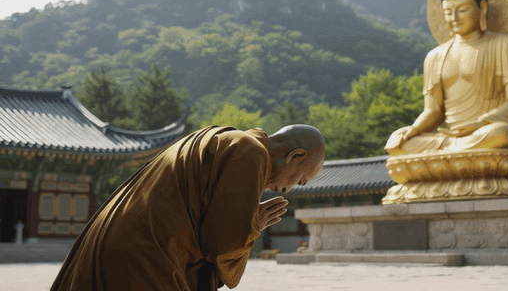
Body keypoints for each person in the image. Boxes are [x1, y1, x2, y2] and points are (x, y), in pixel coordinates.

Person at [50, 124, 325, 291]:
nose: (290, 188)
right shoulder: (249, 152)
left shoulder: (220, 139)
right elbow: (222, 246)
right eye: (300, 178)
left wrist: (248, 221)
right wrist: (252, 227)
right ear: (295, 155)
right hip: (147, 254)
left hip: (121, 243)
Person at [385, 0, 508, 156]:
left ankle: (449, 154)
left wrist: (481, 123)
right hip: (449, 136)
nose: (454, 18)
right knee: (397, 141)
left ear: (482, 8)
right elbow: (432, 110)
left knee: (502, 134)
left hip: (485, 131)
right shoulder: (434, 56)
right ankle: (453, 150)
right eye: (448, 12)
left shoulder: (504, 44)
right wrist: (415, 129)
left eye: (463, 10)